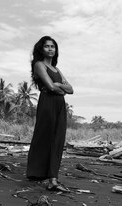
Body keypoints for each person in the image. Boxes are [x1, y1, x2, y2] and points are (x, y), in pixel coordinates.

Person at [26, 36, 74, 192]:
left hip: (60, 105)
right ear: (41, 49)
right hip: (47, 101)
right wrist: (61, 87)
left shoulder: (57, 69)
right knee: (44, 135)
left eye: (53, 46)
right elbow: (50, 87)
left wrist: (60, 85)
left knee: (58, 138)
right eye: (47, 46)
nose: (50, 49)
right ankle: (38, 173)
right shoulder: (39, 65)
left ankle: (52, 176)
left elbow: (71, 89)